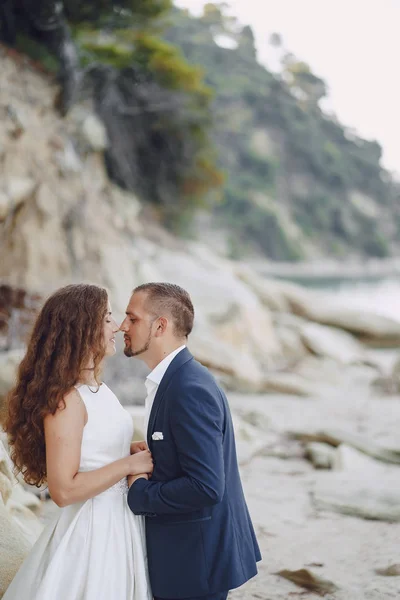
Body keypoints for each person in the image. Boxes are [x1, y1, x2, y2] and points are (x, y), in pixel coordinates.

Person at [2, 283, 153, 600]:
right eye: (108, 317)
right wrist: (128, 464)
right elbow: (63, 490)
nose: (117, 326)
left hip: (117, 521)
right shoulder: (66, 401)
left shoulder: (96, 387)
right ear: (81, 328)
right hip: (91, 531)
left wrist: (125, 450)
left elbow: (89, 451)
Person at [120, 282, 261, 600]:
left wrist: (140, 491)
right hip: (187, 557)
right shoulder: (172, 379)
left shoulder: (188, 388)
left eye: (132, 318)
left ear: (160, 326)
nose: (122, 326)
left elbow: (207, 486)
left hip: (195, 564)